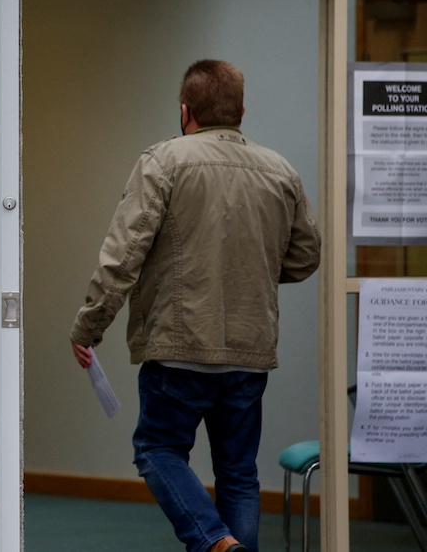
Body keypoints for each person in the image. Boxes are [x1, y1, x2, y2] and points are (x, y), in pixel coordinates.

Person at [70, 60, 321, 552]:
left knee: (157, 449)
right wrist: (253, 273)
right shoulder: (280, 170)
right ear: (241, 111)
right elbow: (306, 255)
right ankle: (228, 544)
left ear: (185, 111)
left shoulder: (163, 162)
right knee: (239, 473)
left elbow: (122, 256)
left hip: (178, 346)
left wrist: (89, 326)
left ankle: (214, 542)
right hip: (249, 351)